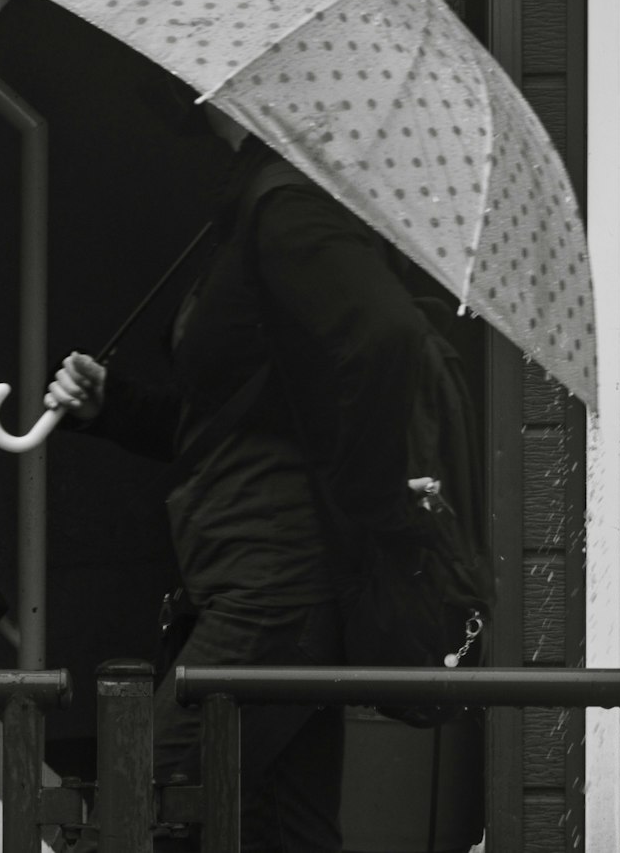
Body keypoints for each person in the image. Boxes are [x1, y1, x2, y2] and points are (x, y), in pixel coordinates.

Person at [43, 116, 445, 853]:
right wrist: (115, 407)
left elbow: (390, 335)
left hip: (274, 589)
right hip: (257, 580)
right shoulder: (256, 207)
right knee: (280, 831)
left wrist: (365, 501)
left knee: (137, 814)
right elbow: (235, 423)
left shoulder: (289, 204)